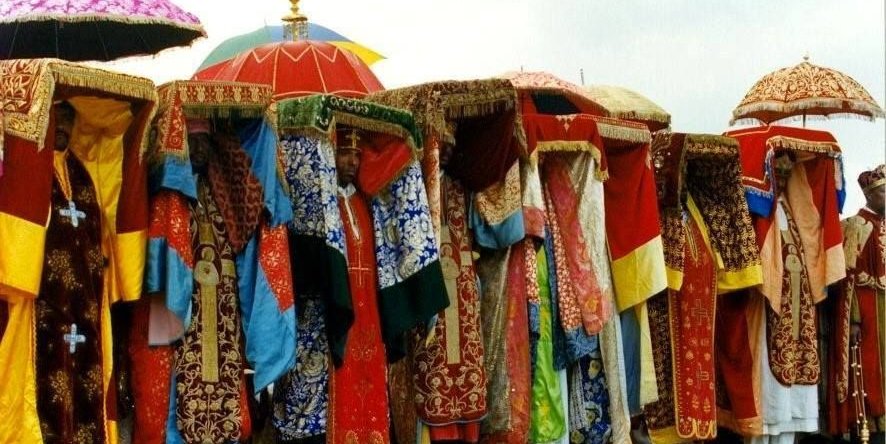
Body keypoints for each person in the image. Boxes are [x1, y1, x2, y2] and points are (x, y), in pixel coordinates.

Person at [828, 164, 885, 443]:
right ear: (869, 195)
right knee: (868, 371)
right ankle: (870, 425)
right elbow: (847, 277)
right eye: (883, 192)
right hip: (868, 308)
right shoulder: (855, 226)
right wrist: (853, 318)